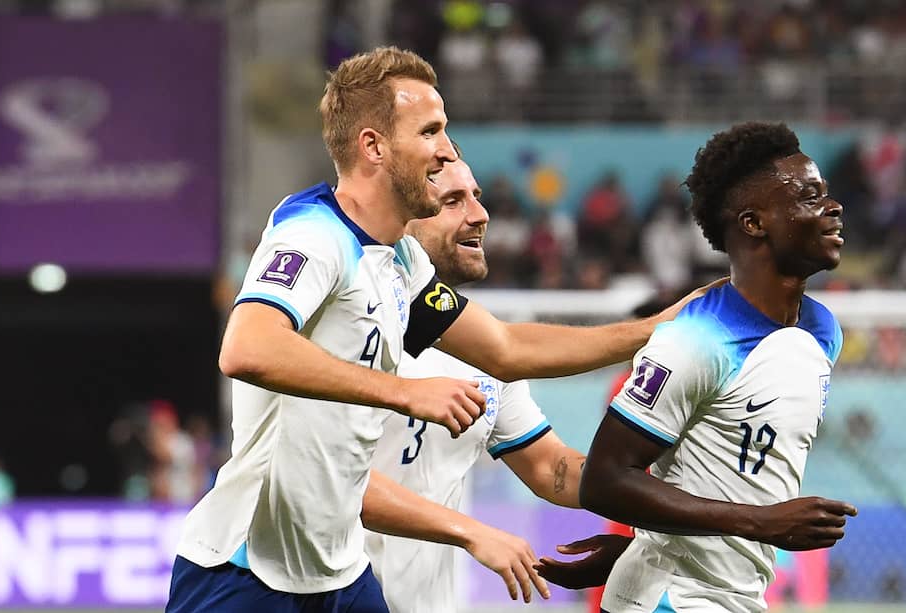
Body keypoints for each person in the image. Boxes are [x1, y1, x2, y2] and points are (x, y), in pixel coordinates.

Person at [167, 46, 711, 613]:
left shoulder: (402, 260)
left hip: (339, 575)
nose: (444, 149)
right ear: (373, 146)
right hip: (247, 571)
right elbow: (247, 346)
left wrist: (660, 328)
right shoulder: (314, 235)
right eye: (429, 131)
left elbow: (504, 347)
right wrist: (404, 391)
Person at [537, 122, 857, 612]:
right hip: (673, 600)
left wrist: (648, 544)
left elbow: (713, 468)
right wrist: (762, 521)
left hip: (734, 595)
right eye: (810, 196)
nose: (832, 208)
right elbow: (604, 479)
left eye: (827, 194)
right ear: (754, 223)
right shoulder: (692, 341)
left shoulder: (821, 331)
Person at [362, 156, 585, 612]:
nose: (480, 215)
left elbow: (549, 469)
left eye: (477, 198)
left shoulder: (485, 356)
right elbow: (326, 480)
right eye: (453, 201)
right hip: (322, 597)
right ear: (403, 210)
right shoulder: (350, 326)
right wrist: (471, 531)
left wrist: (655, 484)